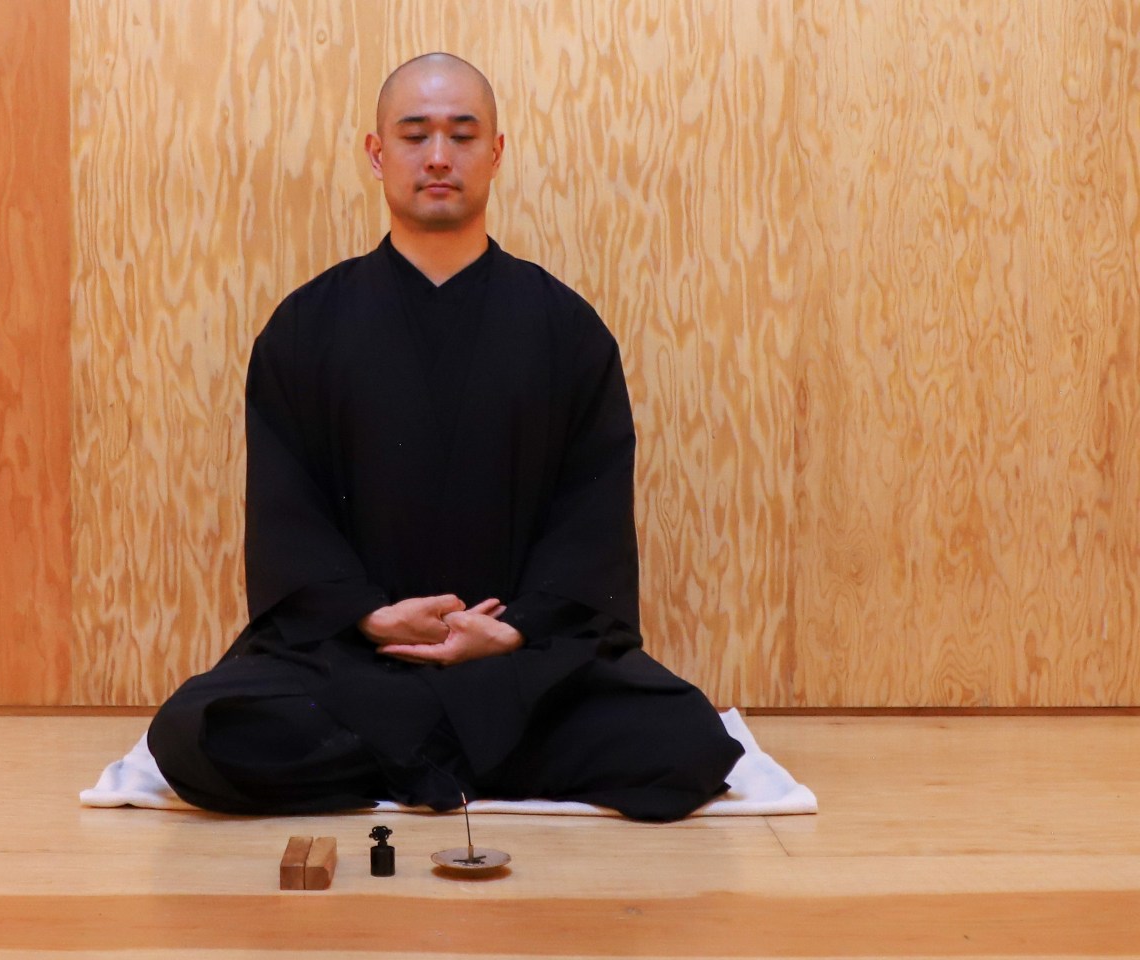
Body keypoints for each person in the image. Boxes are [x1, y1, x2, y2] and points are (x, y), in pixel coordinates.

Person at [147, 52, 743, 821]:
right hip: (358, 661)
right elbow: (286, 514)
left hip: (519, 666)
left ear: (496, 153)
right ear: (376, 153)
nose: (438, 157)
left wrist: (514, 630)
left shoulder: (565, 329)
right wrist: (369, 616)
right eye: (414, 135)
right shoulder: (305, 327)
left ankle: (410, 755)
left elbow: (589, 516)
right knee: (195, 735)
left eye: (462, 136)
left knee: (686, 739)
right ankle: (477, 755)